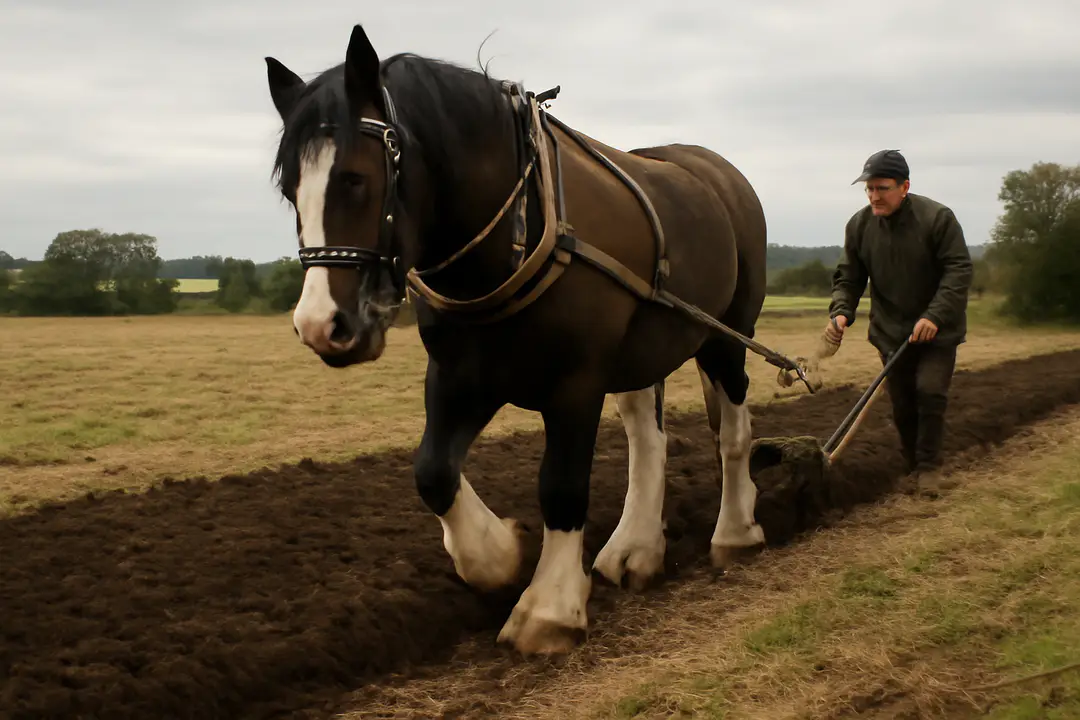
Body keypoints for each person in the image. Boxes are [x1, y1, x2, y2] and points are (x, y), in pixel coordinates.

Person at [825, 149, 974, 496]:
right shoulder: (860, 225)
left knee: (930, 392)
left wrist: (934, 315)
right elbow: (848, 276)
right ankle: (913, 466)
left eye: (882, 188)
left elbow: (958, 271)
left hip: (938, 330)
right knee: (903, 403)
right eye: (869, 189)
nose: (874, 196)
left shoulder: (938, 219)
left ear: (904, 186)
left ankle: (930, 469)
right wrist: (842, 311)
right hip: (891, 331)